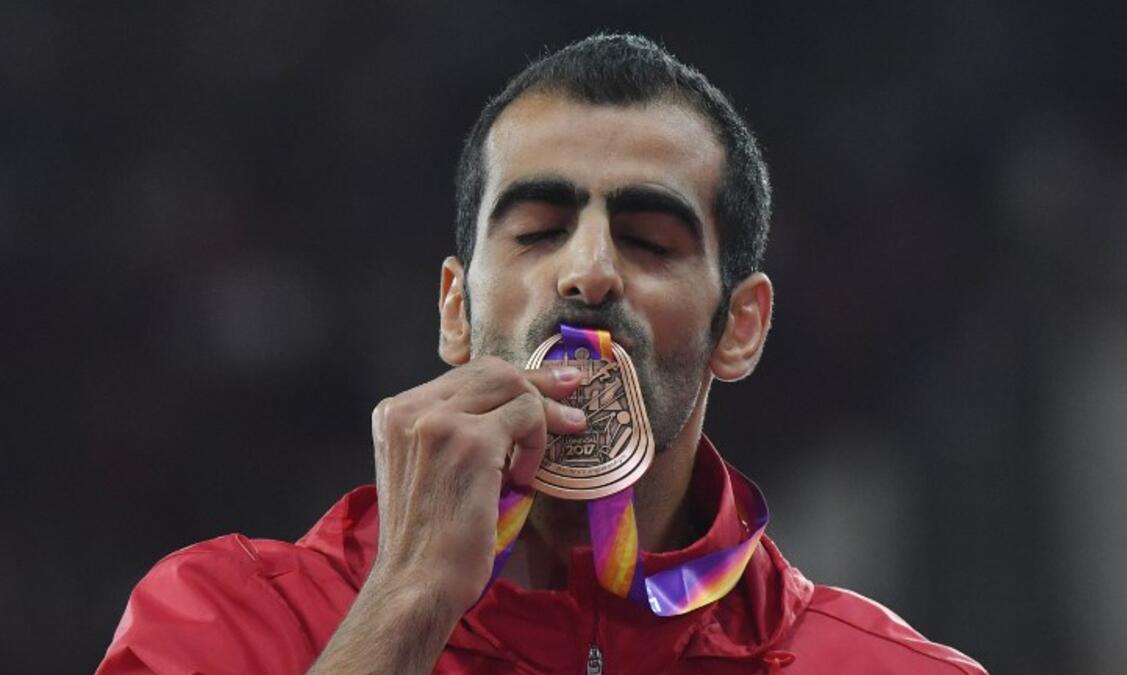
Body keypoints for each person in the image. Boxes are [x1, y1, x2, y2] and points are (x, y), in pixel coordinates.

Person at [97, 34, 987, 675]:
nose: (590, 273)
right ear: (455, 308)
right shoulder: (229, 620)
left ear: (739, 327)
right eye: (538, 230)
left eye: (649, 240)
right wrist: (405, 605)